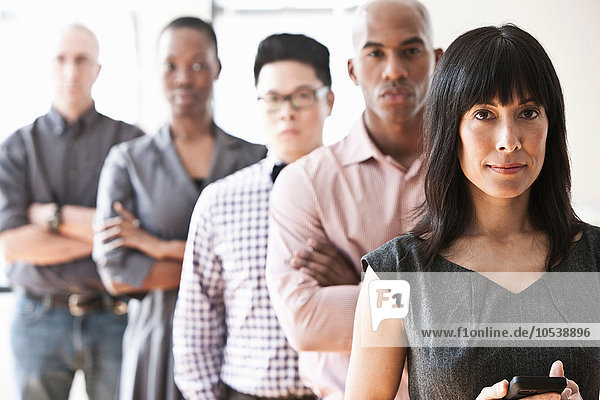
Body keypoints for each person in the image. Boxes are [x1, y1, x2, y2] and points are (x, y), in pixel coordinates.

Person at [346, 24, 600, 400]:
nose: (508, 141)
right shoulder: (395, 275)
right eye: (484, 114)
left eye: (528, 112)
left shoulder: (595, 258)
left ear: (552, 124)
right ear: (451, 127)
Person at [265, 0, 442, 398]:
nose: (393, 69)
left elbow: (493, 304)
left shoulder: (473, 174)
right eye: (375, 53)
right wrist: (427, 300)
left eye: (410, 51)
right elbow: (305, 321)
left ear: (436, 60)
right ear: (352, 69)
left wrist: (364, 282)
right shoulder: (304, 183)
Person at [92, 17, 266, 400]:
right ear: (156, 71)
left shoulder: (255, 160)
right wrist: (224, 270)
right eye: (171, 65)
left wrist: (156, 246)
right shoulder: (127, 162)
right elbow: (118, 275)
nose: (184, 78)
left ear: (218, 68)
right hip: (157, 347)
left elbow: (269, 264)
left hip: (241, 349)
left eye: (198, 65)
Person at [172, 32, 334, 400]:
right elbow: (196, 322)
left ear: (330, 101)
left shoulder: (362, 192)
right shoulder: (219, 201)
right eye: (273, 98)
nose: (287, 111)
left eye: (302, 96)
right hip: (246, 391)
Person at [0, 24, 144, 400]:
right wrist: (108, 236)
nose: (71, 71)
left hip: (114, 317)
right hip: (37, 318)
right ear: (49, 66)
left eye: (82, 60)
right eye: (61, 59)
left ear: (98, 69)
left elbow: (141, 236)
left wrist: (52, 218)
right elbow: (12, 246)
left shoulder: (132, 144)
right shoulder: (16, 148)